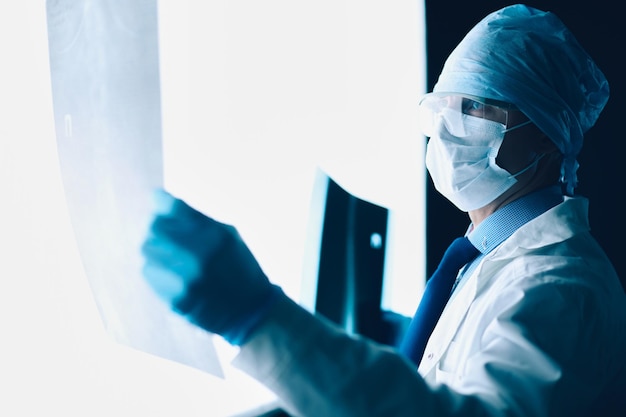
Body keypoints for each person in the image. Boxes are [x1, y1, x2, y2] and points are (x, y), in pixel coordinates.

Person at [140, 4, 626, 416]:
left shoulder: (559, 288)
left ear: (545, 132)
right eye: (440, 108)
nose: (446, 130)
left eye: (474, 107)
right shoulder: (487, 262)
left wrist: (260, 319)